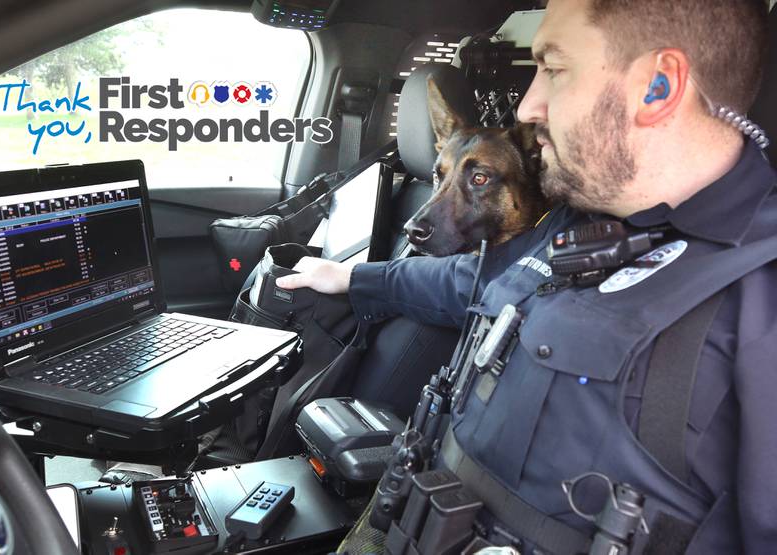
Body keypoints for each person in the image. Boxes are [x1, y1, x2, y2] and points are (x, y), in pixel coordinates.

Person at [277, 0, 777, 551]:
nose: (530, 103)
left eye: (554, 69)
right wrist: (352, 279)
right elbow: (468, 283)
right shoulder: (572, 218)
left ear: (658, 86)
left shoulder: (758, 296)